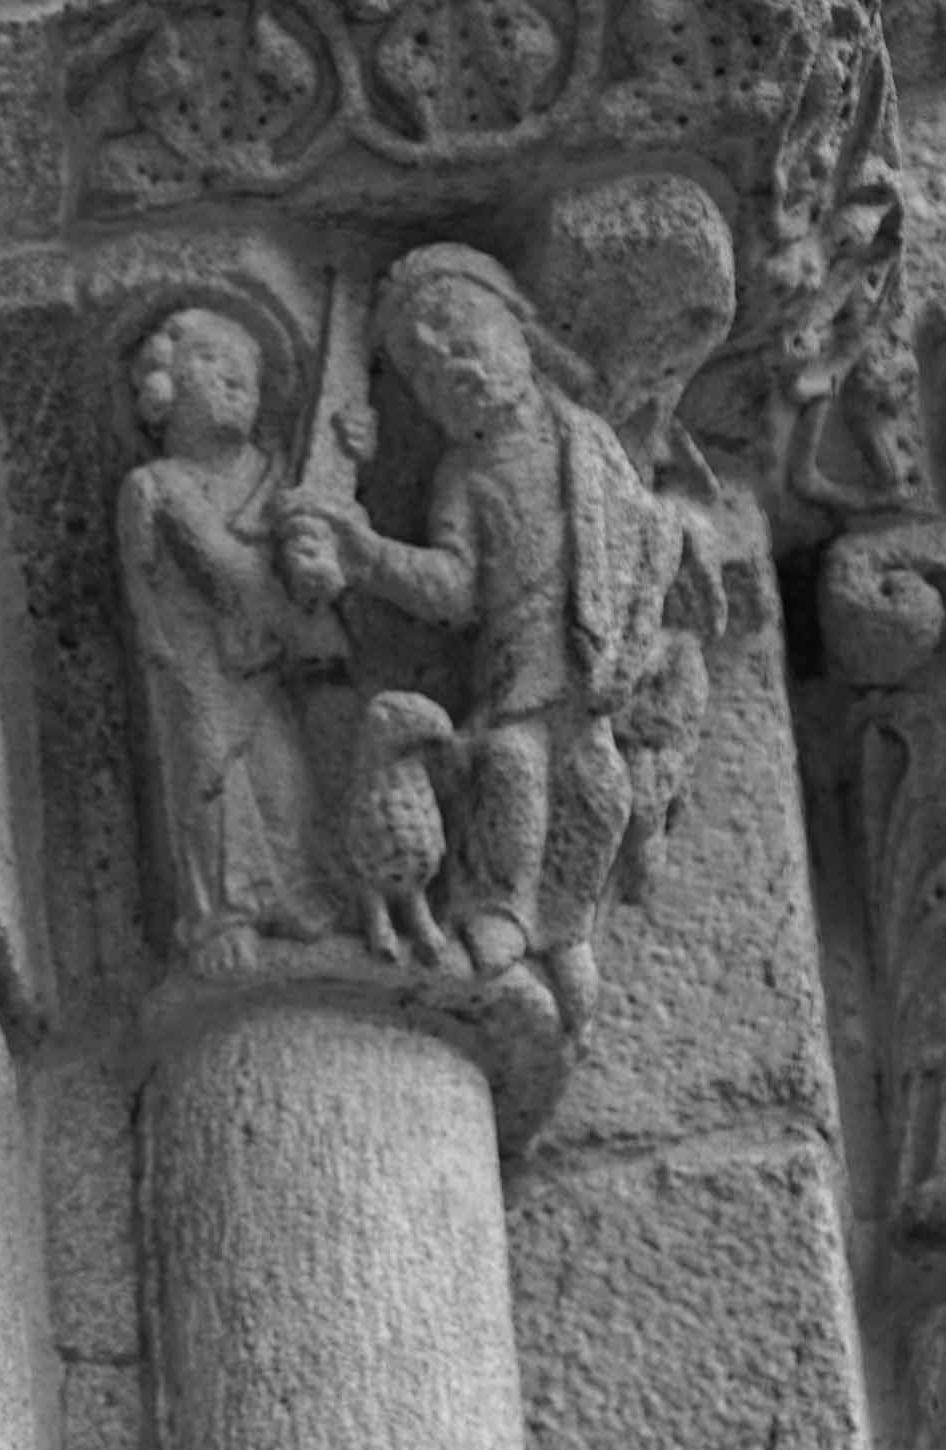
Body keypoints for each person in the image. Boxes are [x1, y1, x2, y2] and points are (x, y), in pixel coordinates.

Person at [281, 243, 719, 1025]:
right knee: (515, 769)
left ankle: (569, 924)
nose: (447, 360)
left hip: (592, 651)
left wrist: (666, 547)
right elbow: (454, 587)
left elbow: (637, 519)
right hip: (513, 661)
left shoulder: (584, 435)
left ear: (520, 324)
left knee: (599, 786)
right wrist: (367, 553)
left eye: (458, 328)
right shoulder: (462, 476)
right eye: (420, 364)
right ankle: (501, 909)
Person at [117, 305, 343, 978]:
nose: (235, 377)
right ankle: (221, 914)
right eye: (211, 361)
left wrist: (340, 466)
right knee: (210, 778)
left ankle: (294, 892)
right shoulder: (155, 485)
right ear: (163, 389)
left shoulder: (275, 474)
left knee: (283, 781)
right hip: (197, 668)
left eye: (245, 368)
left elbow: (311, 565)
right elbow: (213, 572)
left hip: (265, 663)